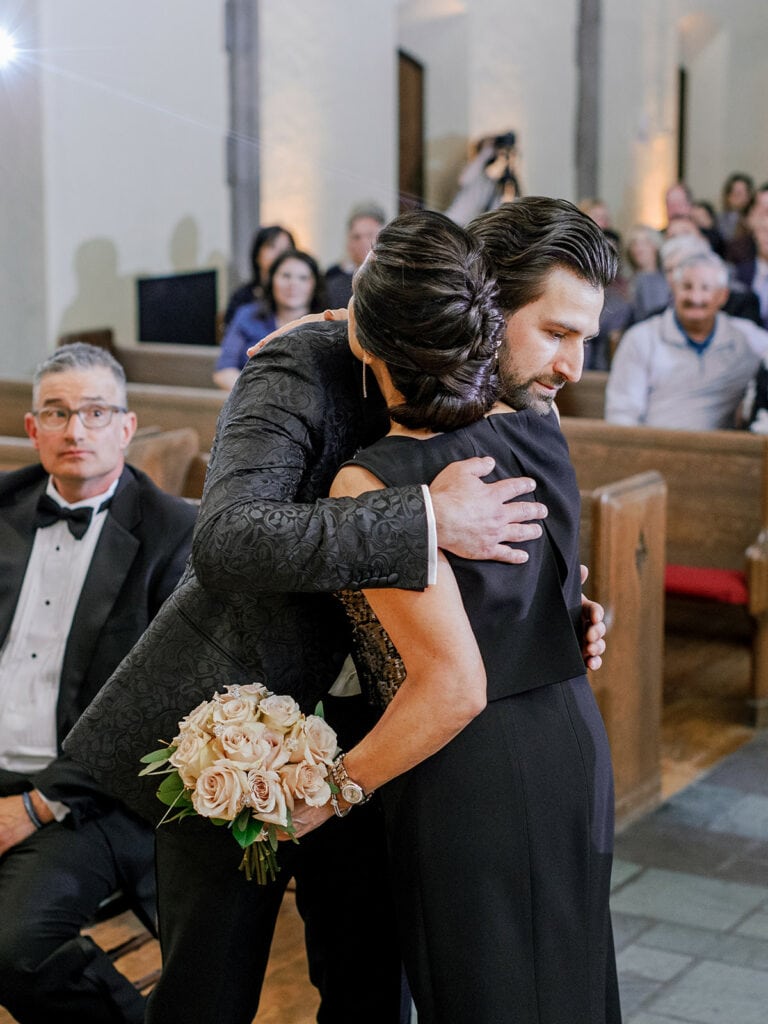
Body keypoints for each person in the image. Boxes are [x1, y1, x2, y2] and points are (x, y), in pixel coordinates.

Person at [63, 278, 552, 1018]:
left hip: (384, 727)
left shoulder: (491, 371)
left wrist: (567, 602)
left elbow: (512, 525)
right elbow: (228, 539)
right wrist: (419, 516)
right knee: (207, 984)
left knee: (365, 982)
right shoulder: (301, 362)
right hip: (238, 710)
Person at [286, 201, 620, 1023]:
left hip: (471, 773)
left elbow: (454, 687)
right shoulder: (537, 426)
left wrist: (322, 797)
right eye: (556, 333)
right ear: (482, 307)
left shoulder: (376, 480)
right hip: (571, 744)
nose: (572, 367)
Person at [0, 343, 197, 1024]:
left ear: (126, 425)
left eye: (93, 412)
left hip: (87, 797)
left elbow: (163, 702)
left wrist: (34, 806)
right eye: (56, 413)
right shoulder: (3, 511)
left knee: (17, 946)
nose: (74, 430)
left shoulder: (175, 534)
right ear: (32, 429)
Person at [606, 251, 768, 429]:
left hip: (722, 451)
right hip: (655, 447)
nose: (695, 297)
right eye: (687, 287)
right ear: (674, 289)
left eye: (705, 288)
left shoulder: (744, 338)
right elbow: (621, 413)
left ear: (723, 296)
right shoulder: (641, 338)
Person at [214, 249, 324, 390]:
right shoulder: (246, 315)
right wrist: (260, 397)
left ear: (314, 285)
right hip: (250, 401)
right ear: (272, 280)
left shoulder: (327, 325)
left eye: (303, 278)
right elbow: (224, 370)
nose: (293, 284)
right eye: (286, 276)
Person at [222, 224, 296, 327]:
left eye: (286, 249)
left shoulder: (298, 297)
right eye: (272, 246)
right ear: (257, 254)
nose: (279, 254)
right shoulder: (242, 298)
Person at [324, 202, 387, 309]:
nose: (364, 243)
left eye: (370, 235)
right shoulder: (333, 276)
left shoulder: (396, 275)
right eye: (357, 237)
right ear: (349, 242)